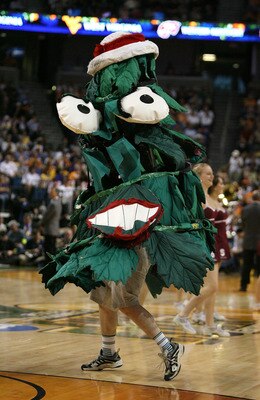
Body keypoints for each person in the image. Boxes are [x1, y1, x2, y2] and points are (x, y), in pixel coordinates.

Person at [40, 32, 216, 381]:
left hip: (135, 227)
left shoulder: (146, 132)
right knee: (104, 296)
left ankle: (168, 346)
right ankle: (109, 353)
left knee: (123, 298)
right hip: (112, 224)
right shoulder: (107, 129)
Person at [174, 163, 230, 336]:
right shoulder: (194, 195)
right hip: (202, 244)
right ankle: (183, 314)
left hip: (212, 243)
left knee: (213, 287)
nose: (212, 177)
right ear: (198, 176)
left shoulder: (207, 196)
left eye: (212, 174)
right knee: (211, 286)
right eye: (208, 174)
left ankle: (210, 324)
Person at [239, 190, 260, 292]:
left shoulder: (246, 209)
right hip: (259, 242)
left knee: (246, 264)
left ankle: (243, 286)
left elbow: (243, 224)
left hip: (248, 239)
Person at [40, 187, 62, 263]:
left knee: (48, 248)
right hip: (55, 228)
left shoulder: (53, 203)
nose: (49, 193)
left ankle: (48, 263)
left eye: (51, 192)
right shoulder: (59, 202)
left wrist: (41, 223)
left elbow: (46, 216)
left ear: (55, 193)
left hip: (50, 228)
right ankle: (53, 263)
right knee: (53, 247)